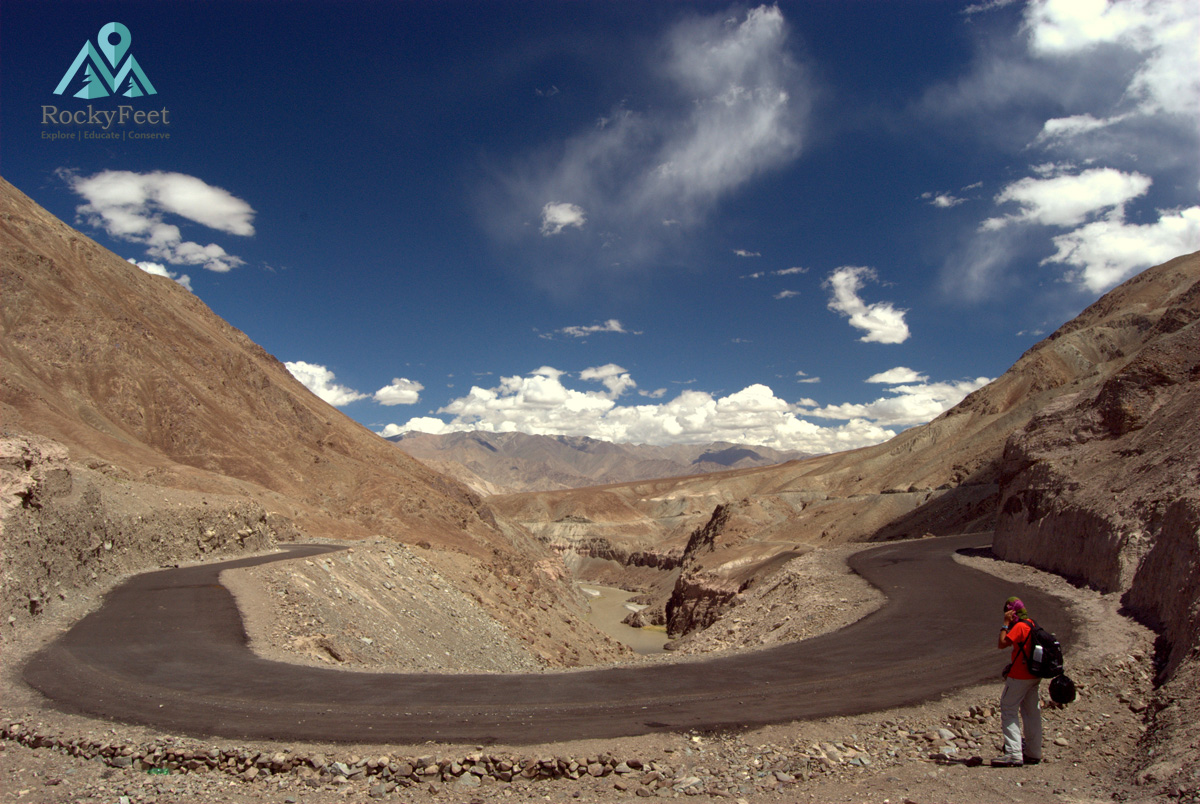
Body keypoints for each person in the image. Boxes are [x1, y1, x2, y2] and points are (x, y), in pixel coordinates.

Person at [992, 596, 1043, 767]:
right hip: (1034, 676)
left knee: (1008, 709)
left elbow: (1002, 643)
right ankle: (1034, 752)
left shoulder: (1020, 627)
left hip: (1019, 676)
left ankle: (1014, 753)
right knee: (1031, 713)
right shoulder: (1032, 624)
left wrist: (1005, 623)